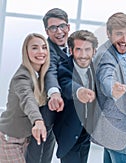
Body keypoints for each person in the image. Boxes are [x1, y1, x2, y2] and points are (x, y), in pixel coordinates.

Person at [92, 12, 126, 163]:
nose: (125, 40)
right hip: (115, 125)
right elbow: (106, 76)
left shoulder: (118, 52)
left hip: (118, 123)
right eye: (119, 34)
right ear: (108, 33)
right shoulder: (106, 55)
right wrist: (112, 88)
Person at [26, 8, 69, 163]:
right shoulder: (46, 48)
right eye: (53, 28)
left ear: (68, 27)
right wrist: (54, 93)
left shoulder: (74, 45)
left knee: (48, 146)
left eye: (62, 26)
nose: (59, 31)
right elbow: (50, 71)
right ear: (47, 31)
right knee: (38, 147)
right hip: (45, 105)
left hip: (62, 108)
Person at [0, 33, 49, 162]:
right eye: (34, 48)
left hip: (24, 139)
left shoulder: (39, 75)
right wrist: (38, 121)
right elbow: (28, 100)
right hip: (8, 138)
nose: (40, 52)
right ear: (26, 51)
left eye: (44, 47)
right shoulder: (21, 77)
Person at [56, 30, 99, 163]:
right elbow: (66, 83)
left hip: (86, 131)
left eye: (87, 50)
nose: (83, 55)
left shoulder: (95, 68)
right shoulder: (64, 67)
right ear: (71, 50)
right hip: (69, 130)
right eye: (79, 49)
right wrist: (79, 92)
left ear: (94, 51)